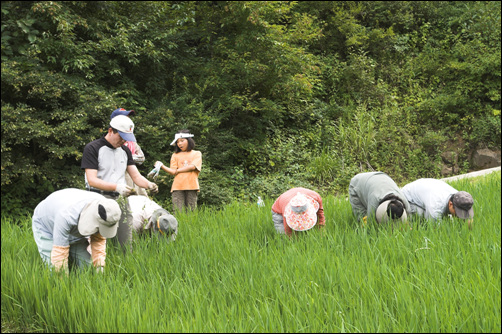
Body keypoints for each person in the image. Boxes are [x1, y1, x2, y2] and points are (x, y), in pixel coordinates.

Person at [81, 113, 158, 251]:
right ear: (111, 131)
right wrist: (116, 187)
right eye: (121, 137)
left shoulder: (125, 151)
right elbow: (92, 180)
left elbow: (136, 176)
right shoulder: (93, 148)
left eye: (126, 138)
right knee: (95, 240)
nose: (123, 141)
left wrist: (149, 185)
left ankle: (124, 261)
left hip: (121, 199)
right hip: (97, 198)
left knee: (125, 240)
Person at [32, 188, 122, 274]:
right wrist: (63, 283)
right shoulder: (67, 215)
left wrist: (99, 267)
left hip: (73, 230)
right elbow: (59, 253)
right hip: (46, 227)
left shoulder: (107, 206)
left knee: (87, 269)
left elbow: (98, 239)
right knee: (54, 270)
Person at [152, 129, 202, 212]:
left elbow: (193, 167)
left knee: (191, 210)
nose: (180, 144)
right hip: (177, 187)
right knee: (178, 211)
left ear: (189, 141)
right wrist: (162, 166)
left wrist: (178, 171)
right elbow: (172, 171)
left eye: (182, 141)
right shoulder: (175, 155)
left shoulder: (196, 153)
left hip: (192, 186)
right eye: (178, 142)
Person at [401, 178, 474, 228]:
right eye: (458, 212)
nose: (459, 215)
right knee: (422, 217)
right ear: (450, 204)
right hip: (409, 198)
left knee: (449, 221)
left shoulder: (460, 197)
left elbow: (469, 219)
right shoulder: (435, 206)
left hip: (427, 191)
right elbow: (435, 231)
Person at [110, 108, 149, 197]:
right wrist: (131, 157)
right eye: (125, 117)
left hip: (134, 173)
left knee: (143, 198)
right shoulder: (113, 137)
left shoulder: (132, 140)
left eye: (128, 117)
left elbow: (142, 158)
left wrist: (129, 157)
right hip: (121, 176)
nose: (128, 119)